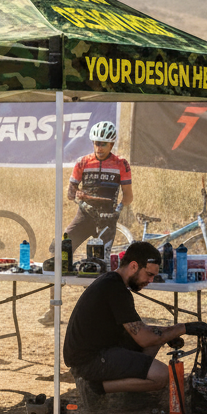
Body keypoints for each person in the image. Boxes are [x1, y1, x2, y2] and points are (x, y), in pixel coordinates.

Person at [62, 241, 207, 399]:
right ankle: (95, 388)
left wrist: (168, 334)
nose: (150, 280)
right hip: (89, 361)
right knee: (162, 375)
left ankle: (130, 390)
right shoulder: (115, 290)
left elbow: (140, 330)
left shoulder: (112, 283)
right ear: (133, 266)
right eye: (149, 274)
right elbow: (144, 339)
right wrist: (182, 328)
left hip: (99, 351)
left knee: (156, 337)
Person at [40, 120, 133, 326]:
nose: (99, 148)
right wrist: (78, 197)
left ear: (111, 144)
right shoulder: (83, 162)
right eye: (96, 143)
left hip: (107, 220)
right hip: (84, 217)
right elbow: (70, 192)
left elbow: (128, 196)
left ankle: (104, 314)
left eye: (103, 144)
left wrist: (118, 211)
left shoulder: (121, 164)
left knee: (100, 267)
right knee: (60, 255)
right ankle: (52, 310)